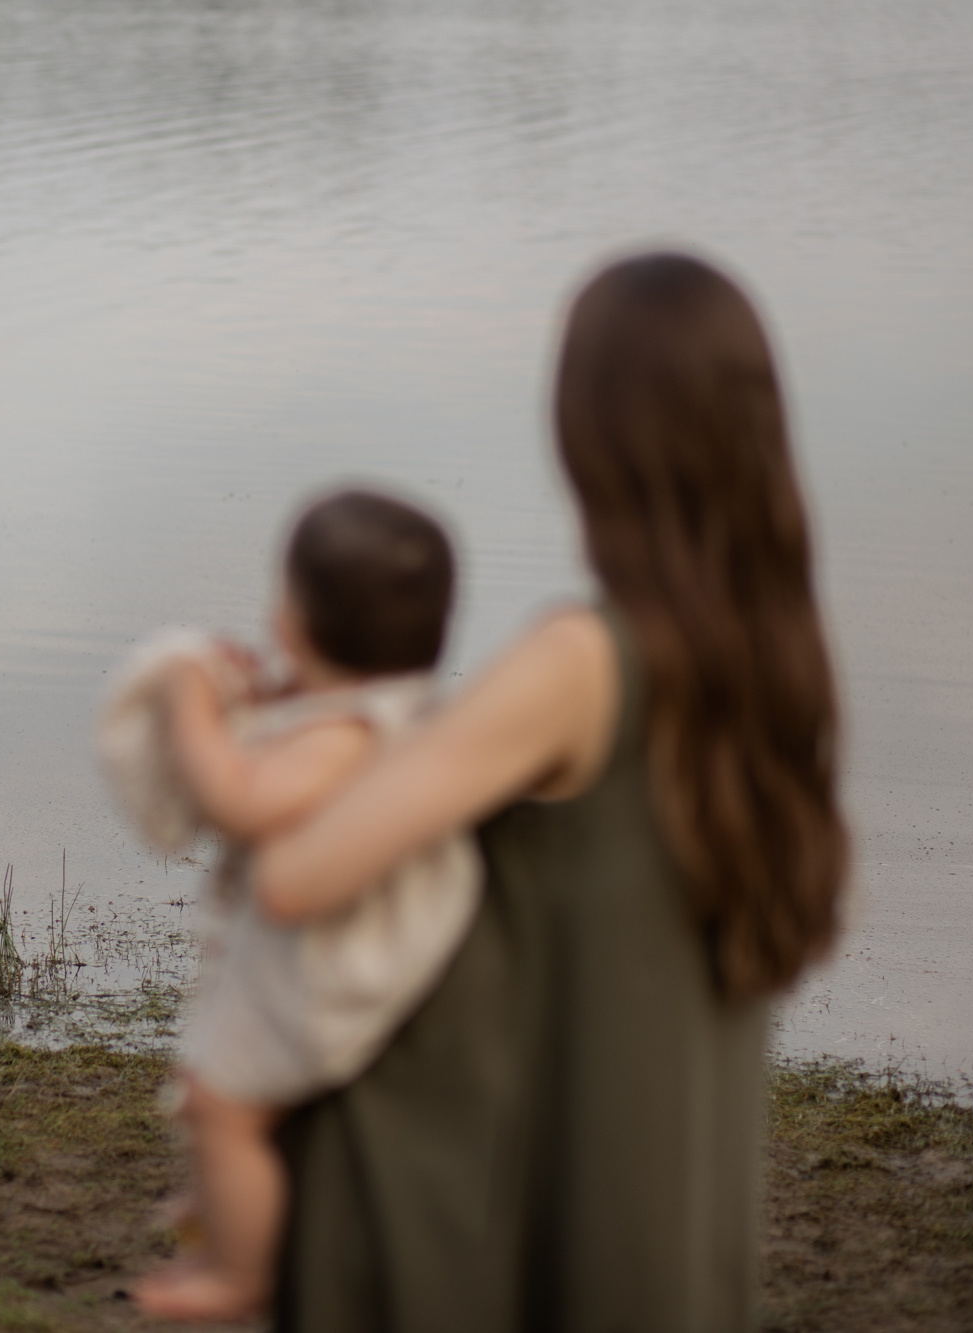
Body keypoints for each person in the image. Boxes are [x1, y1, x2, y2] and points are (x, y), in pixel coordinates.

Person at [250, 253, 849, 1330]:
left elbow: (300, 872)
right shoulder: (768, 665)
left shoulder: (582, 660)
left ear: (590, 436)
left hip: (534, 1213)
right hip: (672, 1225)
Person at [97, 491, 482, 1323]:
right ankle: (217, 1208)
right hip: (322, 941)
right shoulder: (372, 712)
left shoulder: (341, 735)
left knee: (220, 1101)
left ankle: (243, 1269)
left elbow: (240, 798)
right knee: (224, 1096)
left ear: (300, 620)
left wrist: (189, 700)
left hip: (326, 966)